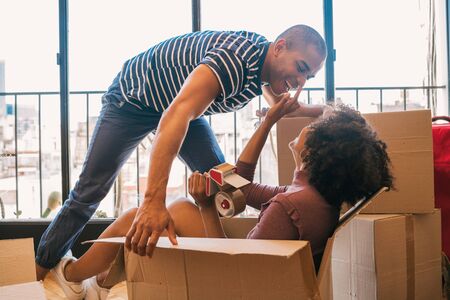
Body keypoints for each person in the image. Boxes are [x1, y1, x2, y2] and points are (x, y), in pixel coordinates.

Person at [36, 24, 328, 280]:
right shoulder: (235, 60)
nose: (301, 83)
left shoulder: (267, 67)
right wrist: (153, 202)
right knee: (89, 192)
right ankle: (39, 274)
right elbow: (175, 116)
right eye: (301, 69)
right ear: (279, 48)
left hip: (178, 104)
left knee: (227, 186)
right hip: (135, 100)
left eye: (309, 78)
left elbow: (277, 99)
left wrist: (325, 110)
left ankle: (160, 269)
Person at [50, 100, 393, 300]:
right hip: (263, 281)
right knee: (173, 210)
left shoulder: (290, 206)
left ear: (322, 148)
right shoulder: (311, 196)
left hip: (234, 289)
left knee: (157, 213)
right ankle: (99, 282)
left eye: (315, 125)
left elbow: (233, 271)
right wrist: (271, 120)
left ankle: (73, 279)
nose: (307, 124)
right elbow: (241, 183)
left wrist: (205, 206)